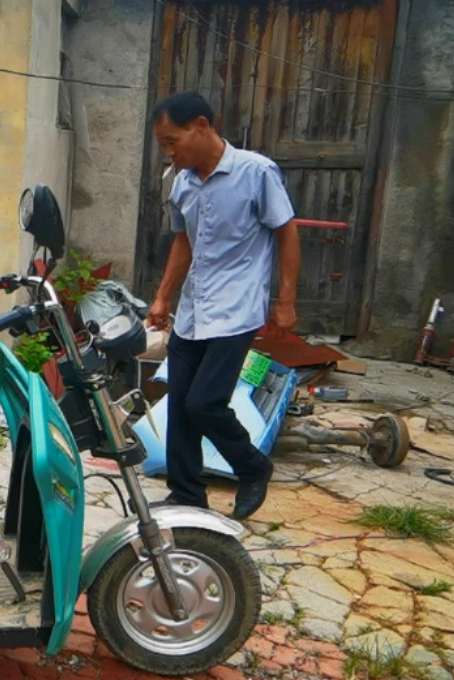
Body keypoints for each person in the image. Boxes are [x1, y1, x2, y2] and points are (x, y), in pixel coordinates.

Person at [144, 91, 300, 520]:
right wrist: (162, 296)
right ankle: (187, 495)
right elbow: (183, 241)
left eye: (173, 141)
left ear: (201, 124)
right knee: (180, 405)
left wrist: (284, 300)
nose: (170, 153)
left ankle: (252, 466)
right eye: (164, 146)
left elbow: (286, 232)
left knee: (204, 403)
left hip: (237, 308)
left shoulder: (256, 171)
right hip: (194, 309)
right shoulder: (183, 183)